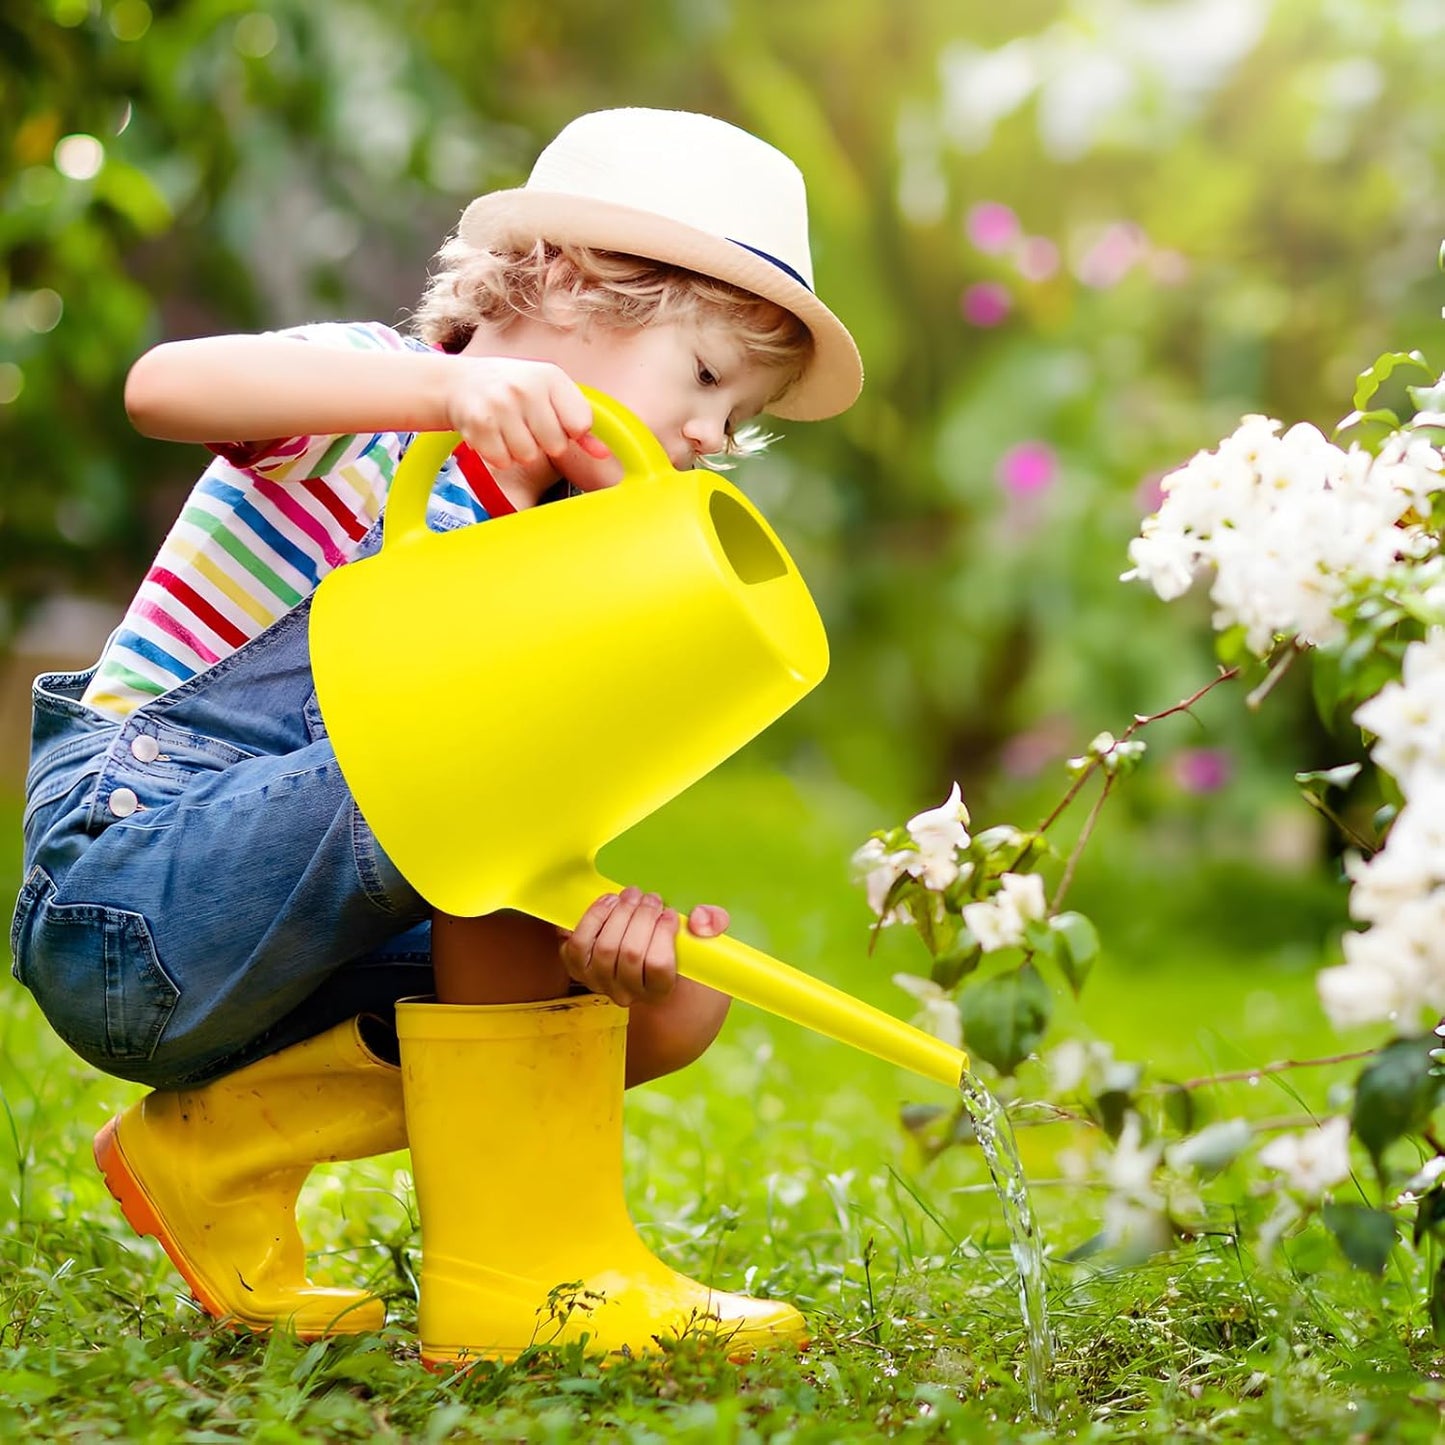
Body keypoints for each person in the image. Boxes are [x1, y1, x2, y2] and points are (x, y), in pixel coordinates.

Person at [11, 107, 862, 1363]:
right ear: (572, 281)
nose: (710, 437)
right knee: (483, 763)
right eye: (703, 379)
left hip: (283, 941)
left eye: (738, 417)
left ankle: (234, 1154)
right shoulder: (374, 395)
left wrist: (593, 927)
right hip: (132, 878)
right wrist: (443, 387)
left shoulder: (567, 547)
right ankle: (518, 1270)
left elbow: (514, 863)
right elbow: (163, 386)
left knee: (669, 1001)